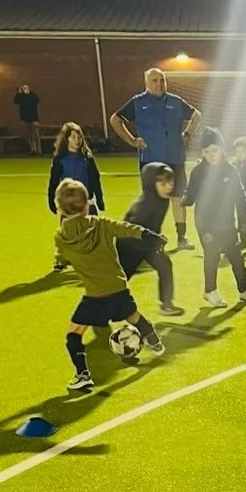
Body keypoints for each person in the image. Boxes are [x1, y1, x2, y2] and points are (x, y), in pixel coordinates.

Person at [53, 178, 165, 391]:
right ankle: (156, 343)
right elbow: (125, 228)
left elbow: (61, 259)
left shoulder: (60, 236)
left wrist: (61, 262)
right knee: (134, 316)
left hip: (94, 296)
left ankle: (83, 374)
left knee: (74, 333)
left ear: (61, 210)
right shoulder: (101, 224)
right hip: (119, 289)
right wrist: (147, 235)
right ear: (87, 204)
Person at [110, 68, 201, 250]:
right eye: (154, 81)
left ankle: (182, 238)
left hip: (175, 158)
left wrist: (188, 134)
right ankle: (151, 239)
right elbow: (115, 119)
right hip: (151, 162)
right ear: (146, 83)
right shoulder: (137, 103)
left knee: (177, 199)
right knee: (152, 201)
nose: (159, 84)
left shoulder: (175, 101)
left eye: (162, 80)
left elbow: (196, 115)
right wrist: (132, 140)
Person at [182, 127, 246, 308]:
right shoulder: (198, 171)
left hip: (227, 223)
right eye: (206, 151)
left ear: (222, 149)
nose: (211, 155)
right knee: (212, 256)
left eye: (214, 150)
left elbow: (241, 197)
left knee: (236, 256)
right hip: (205, 223)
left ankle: (244, 291)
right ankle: (210, 291)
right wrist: (185, 198)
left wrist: (244, 223)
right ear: (202, 152)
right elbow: (190, 193)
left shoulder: (231, 170)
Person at [117, 162, 184, 316]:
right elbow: (132, 231)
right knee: (119, 280)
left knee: (165, 265)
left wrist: (155, 240)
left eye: (171, 182)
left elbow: (153, 226)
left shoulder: (163, 199)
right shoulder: (143, 206)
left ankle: (166, 305)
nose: (168, 187)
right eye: (163, 183)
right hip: (129, 245)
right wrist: (154, 240)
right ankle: (100, 306)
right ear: (150, 184)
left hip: (148, 244)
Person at [47, 122, 105, 271]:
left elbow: (95, 178)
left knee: (92, 231)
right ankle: (61, 260)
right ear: (66, 139)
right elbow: (54, 180)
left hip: (87, 201)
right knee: (66, 234)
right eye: (73, 137)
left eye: (79, 136)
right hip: (68, 202)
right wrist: (51, 200)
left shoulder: (87, 158)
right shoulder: (60, 159)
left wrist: (99, 198)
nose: (77, 140)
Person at [13, 85, 41, 155]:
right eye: (24, 89)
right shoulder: (22, 97)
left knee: (36, 136)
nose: (25, 90)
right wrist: (18, 93)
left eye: (26, 88)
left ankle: (39, 150)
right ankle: (33, 150)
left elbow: (37, 100)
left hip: (34, 118)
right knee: (29, 136)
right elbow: (16, 101)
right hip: (25, 119)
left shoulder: (33, 96)